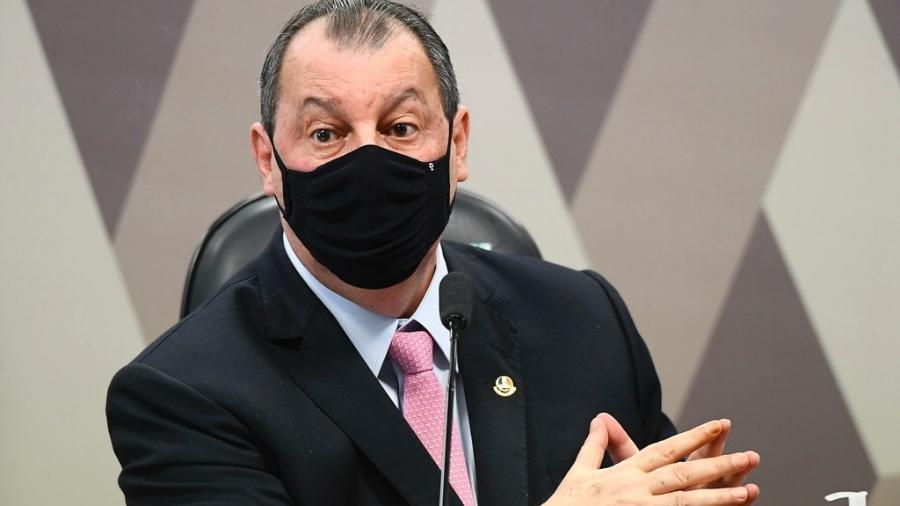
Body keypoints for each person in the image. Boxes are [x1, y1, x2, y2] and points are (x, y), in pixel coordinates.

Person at [106, 1, 760, 504]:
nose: (367, 160)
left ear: (458, 144)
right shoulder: (183, 396)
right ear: (267, 160)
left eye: (400, 127)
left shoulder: (584, 321)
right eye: (327, 133)